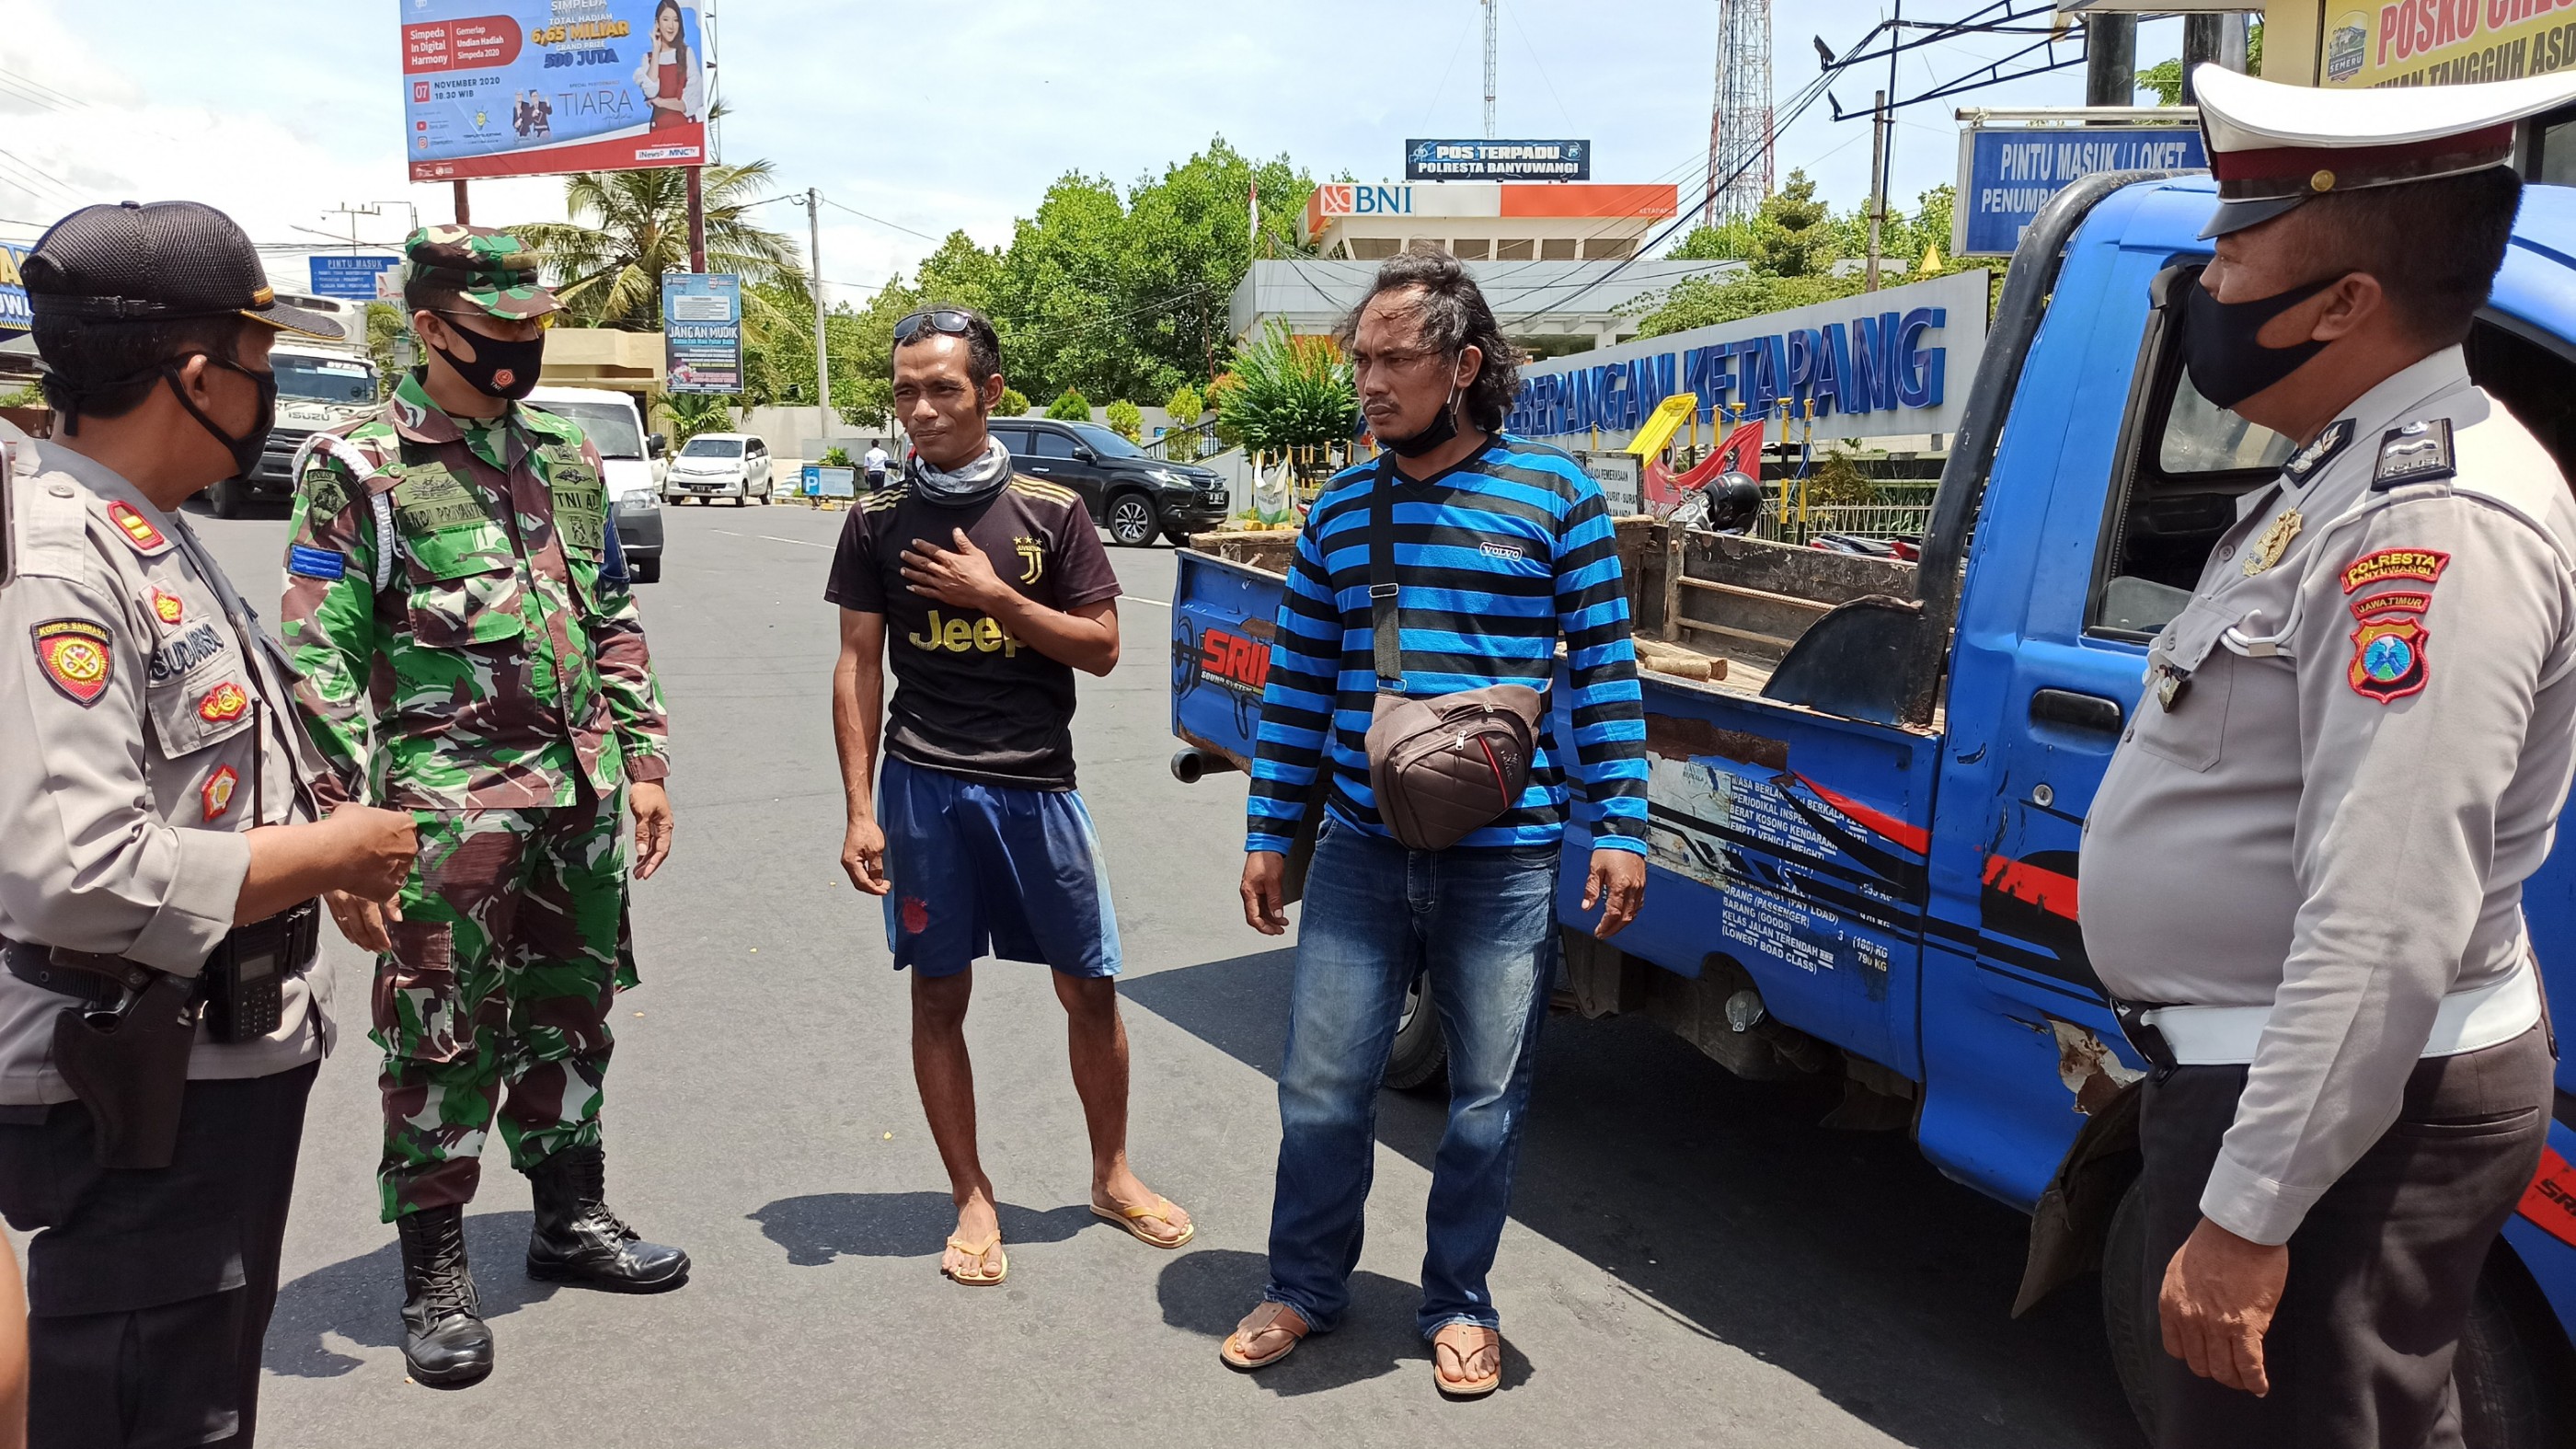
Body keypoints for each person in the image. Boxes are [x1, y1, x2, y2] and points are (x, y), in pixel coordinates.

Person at [2080, 66, 2576, 1447]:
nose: (2207, 281)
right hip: (2302, 1087)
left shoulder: (2437, 521)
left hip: (2347, 1116)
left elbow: (2386, 911)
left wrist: (2250, 1210)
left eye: (2238, 251)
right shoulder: (2346, 473)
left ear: (2346, 303)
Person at [0, 201, 417, 1446]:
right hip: (134, 1089)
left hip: (210, 1059)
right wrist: (329, 853)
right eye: (257, 357)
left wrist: (307, 861)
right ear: (196, 375)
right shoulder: (63, 558)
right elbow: (78, 873)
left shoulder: (148, 522)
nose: (271, 386)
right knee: (145, 1410)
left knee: (200, 1393)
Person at [1225, 249, 1649, 1397]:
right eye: (1359, 357)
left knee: (1484, 1102)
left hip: (1505, 861)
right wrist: (1273, 833)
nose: (1367, 379)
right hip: (1362, 851)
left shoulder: (1554, 498)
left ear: (1462, 365)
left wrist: (1621, 823)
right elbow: (1299, 686)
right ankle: (1305, 1285)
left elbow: (1604, 673)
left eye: (1392, 358)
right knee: (1321, 1086)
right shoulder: (1340, 509)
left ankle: (1459, 1302)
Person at [281, 225, 685, 1389]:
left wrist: (643, 762)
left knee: (573, 1009)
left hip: (576, 796)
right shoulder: (357, 465)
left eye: (533, 328)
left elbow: (609, 613)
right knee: (439, 1031)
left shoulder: (565, 454)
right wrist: (335, 834)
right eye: (498, 330)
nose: (521, 348)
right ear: (432, 327)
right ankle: (436, 1268)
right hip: (444, 815)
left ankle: (570, 1217)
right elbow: (321, 653)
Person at [825, 305, 1191, 1288]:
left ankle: (1111, 1175)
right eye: (905, 390)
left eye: (942, 387)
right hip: (924, 786)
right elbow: (859, 664)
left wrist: (996, 598)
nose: (921, 409)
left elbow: (1104, 649)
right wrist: (859, 808)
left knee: (1090, 984)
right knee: (938, 990)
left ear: (989, 391)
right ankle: (971, 1195)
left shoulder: (1051, 513)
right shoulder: (875, 521)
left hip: (1037, 785)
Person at [632, 0, 702, 132]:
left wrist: (660, 102)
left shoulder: (686, 53)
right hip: (658, 133)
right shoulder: (648, 58)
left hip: (686, 133)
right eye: (665, 19)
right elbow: (651, 91)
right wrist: (656, 51)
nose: (671, 26)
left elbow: (689, 103)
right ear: (657, 23)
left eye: (675, 20)